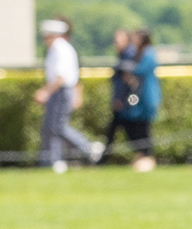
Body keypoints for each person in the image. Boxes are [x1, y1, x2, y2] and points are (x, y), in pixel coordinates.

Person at [35, 18, 99, 171]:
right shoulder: (59, 48)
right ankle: (53, 161)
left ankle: (88, 148)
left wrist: (45, 92)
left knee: (58, 127)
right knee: (52, 127)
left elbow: (60, 77)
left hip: (61, 91)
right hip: (59, 91)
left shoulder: (60, 49)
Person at [100, 28, 160, 170]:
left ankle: (145, 156)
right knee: (134, 123)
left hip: (144, 97)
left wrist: (123, 69)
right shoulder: (138, 52)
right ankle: (142, 155)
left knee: (142, 125)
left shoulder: (147, 53)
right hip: (136, 97)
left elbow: (138, 71)